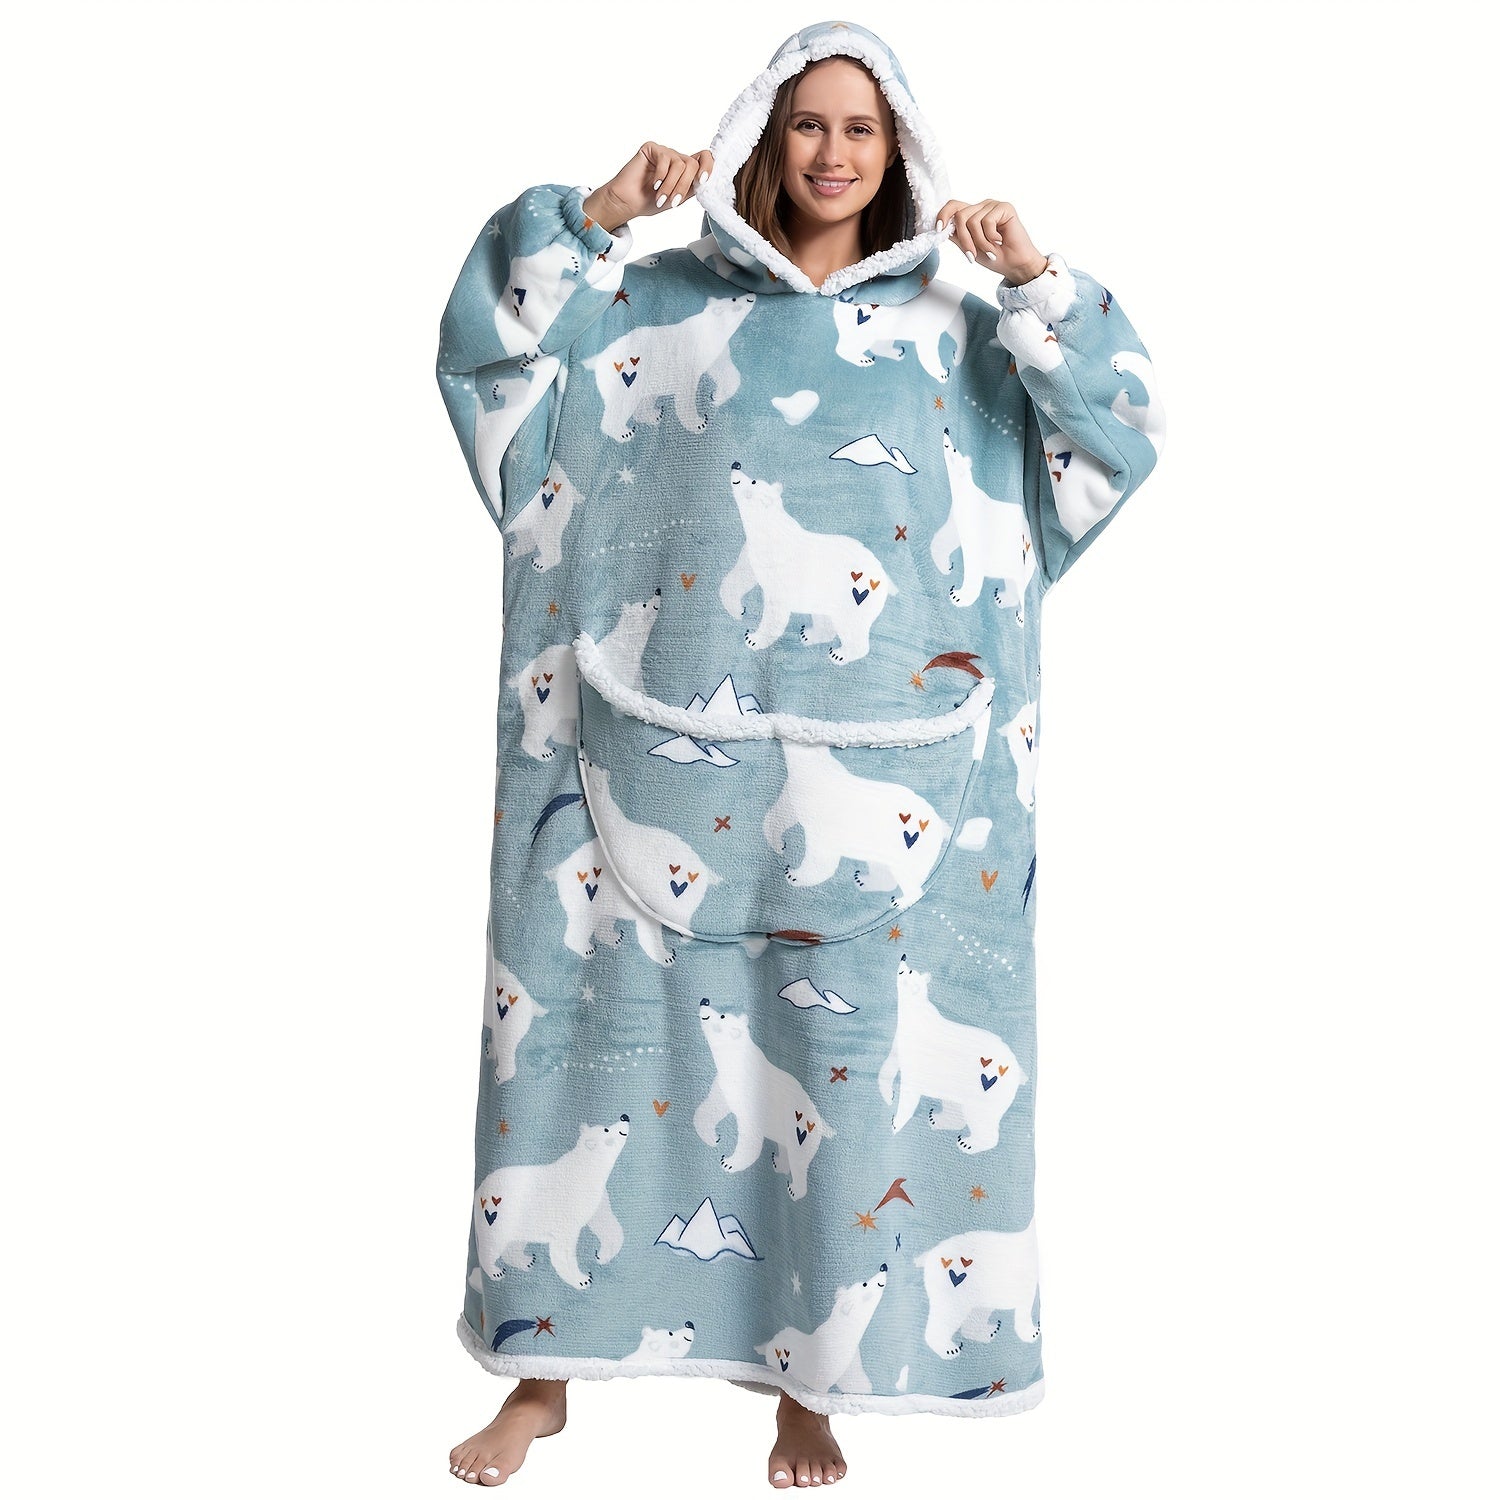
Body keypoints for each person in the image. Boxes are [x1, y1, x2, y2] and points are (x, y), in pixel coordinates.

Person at [435, 16, 1164, 1490]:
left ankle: (811, 1384)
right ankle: (543, 1372)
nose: (833, 153)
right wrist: (588, 219)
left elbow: (1108, 450)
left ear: (901, 152)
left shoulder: (960, 332)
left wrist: (1037, 286)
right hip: (648, 755)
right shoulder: (647, 306)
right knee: (593, 1054)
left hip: (895, 771)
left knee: (837, 1074)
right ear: (763, 136)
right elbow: (495, 371)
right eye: (808, 124)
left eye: (862, 129)